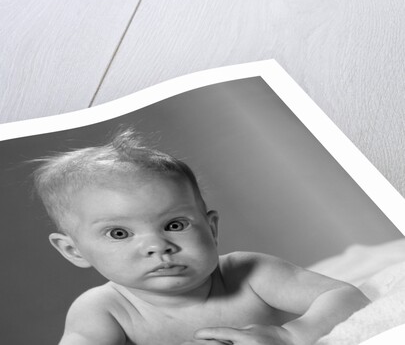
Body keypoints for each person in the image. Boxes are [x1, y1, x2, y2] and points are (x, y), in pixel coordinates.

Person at [32, 129, 370, 345]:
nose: (157, 245)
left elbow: (346, 296)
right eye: (119, 233)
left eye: (175, 225)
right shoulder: (104, 310)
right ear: (74, 250)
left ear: (210, 228)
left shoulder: (250, 274)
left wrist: (291, 335)